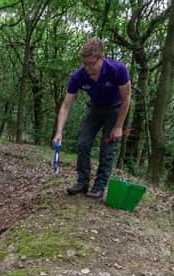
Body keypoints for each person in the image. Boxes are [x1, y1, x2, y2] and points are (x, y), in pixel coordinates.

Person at [52, 37, 131, 198]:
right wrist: (59, 132)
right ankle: (82, 183)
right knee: (82, 143)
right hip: (95, 108)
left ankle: (99, 187)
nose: (88, 68)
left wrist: (118, 126)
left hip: (115, 109)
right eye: (85, 63)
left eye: (92, 63)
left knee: (107, 149)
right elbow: (66, 105)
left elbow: (126, 99)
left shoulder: (118, 70)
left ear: (102, 57)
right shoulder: (78, 76)